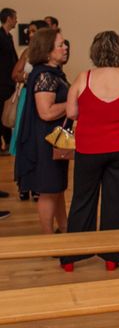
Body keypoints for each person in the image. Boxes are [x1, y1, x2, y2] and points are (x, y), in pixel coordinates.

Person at [61, 31, 119, 272]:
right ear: (118, 52)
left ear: (94, 52)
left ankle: (72, 257)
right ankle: (112, 256)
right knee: (117, 200)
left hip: (89, 147)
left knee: (83, 199)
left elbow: (71, 112)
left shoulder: (83, 78)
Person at [14, 28, 69, 234]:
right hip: (44, 142)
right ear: (47, 51)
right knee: (48, 190)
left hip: (52, 140)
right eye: (60, 45)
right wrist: (72, 103)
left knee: (57, 188)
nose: (65, 48)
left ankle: (64, 229)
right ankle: (48, 240)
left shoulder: (51, 72)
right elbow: (46, 112)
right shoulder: (45, 75)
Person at [11, 19, 49, 201]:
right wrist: (29, 77)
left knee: (38, 140)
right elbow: (15, 74)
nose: (30, 33)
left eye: (34, 31)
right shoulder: (27, 52)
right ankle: (24, 183)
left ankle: (38, 184)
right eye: (30, 31)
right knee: (23, 139)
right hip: (27, 98)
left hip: (41, 98)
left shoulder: (48, 54)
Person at [0, 8, 18, 157]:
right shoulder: (0, 36)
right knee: (1, 111)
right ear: (8, 18)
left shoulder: (9, 37)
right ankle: (3, 144)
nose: (16, 21)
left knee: (6, 112)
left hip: (8, 81)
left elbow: (13, 59)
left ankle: (7, 142)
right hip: (2, 82)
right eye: (14, 18)